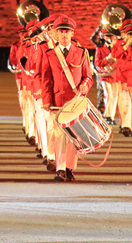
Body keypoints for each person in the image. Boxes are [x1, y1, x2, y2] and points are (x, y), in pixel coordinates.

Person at [39, 14, 93, 182]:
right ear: (55, 34)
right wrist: (47, 100)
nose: (63, 35)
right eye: (60, 32)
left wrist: (84, 87)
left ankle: (70, 167)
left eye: (67, 32)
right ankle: (60, 168)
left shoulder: (82, 52)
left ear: (72, 34)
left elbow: (88, 77)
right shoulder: (49, 54)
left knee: (73, 137)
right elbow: (46, 79)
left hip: (74, 101)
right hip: (57, 101)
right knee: (60, 136)